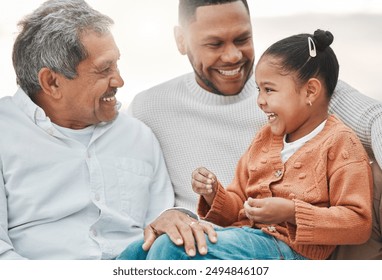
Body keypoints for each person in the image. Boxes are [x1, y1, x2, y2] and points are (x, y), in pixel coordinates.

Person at [127, 0, 382, 259]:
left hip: (283, 250)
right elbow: (238, 205)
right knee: (137, 252)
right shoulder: (265, 135)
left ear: (311, 91)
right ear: (181, 40)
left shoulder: (311, 97)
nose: (233, 56)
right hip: (229, 238)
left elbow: (377, 119)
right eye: (215, 43)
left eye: (242, 39)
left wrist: (291, 211)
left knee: (170, 249)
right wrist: (215, 194)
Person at [0, 0, 174, 259]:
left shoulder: (138, 136)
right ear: (52, 82)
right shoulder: (5, 132)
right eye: (104, 69)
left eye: (116, 64)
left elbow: (161, 231)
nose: (119, 80)